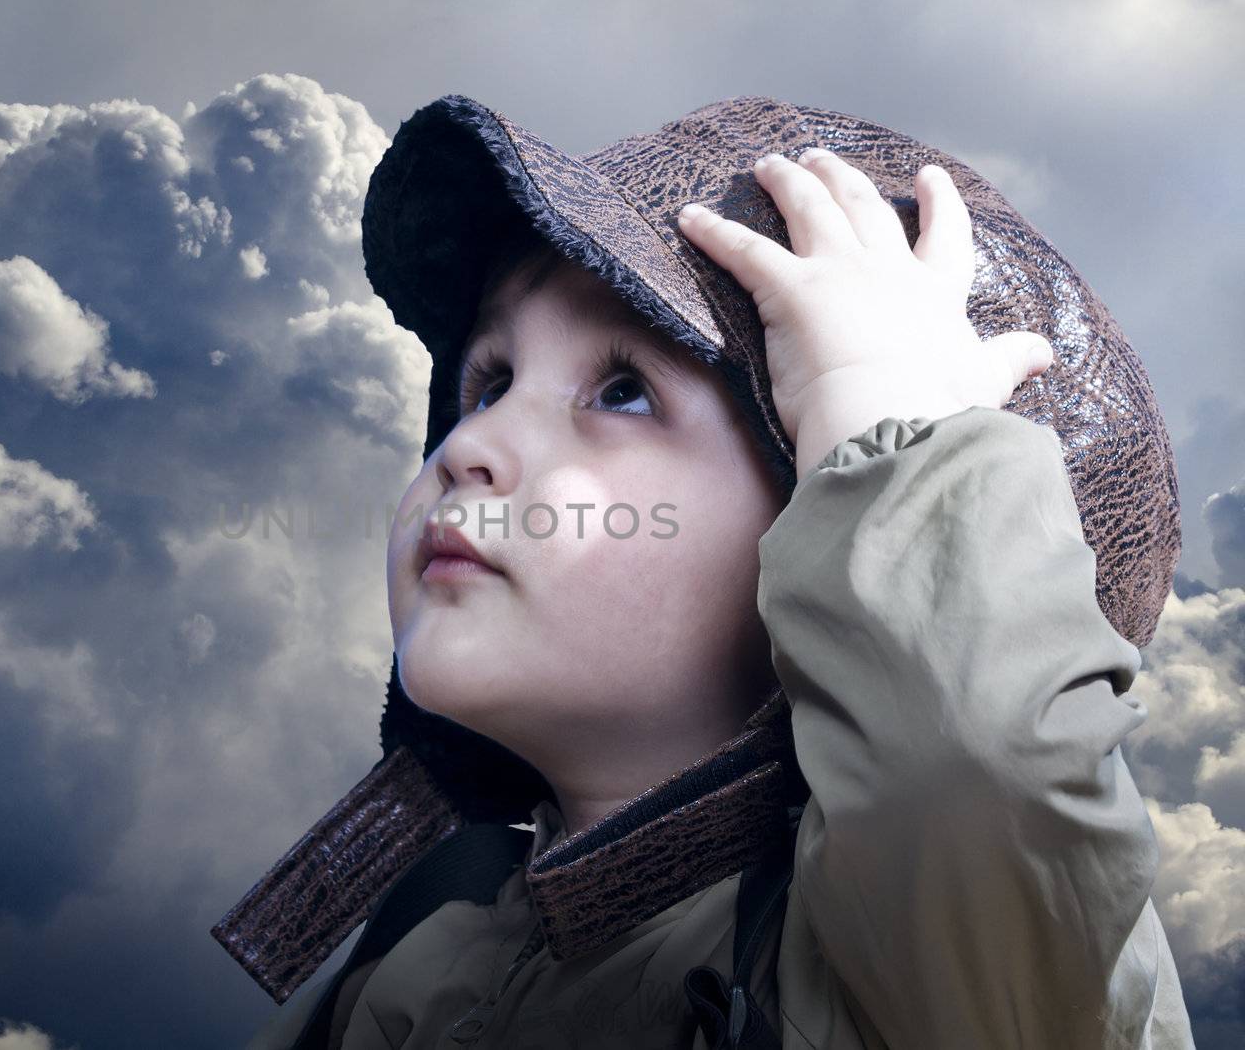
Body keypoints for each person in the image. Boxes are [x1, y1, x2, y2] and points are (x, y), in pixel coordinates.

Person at [213, 94, 1195, 1048]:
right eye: (491, 380)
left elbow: (974, 758)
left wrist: (888, 420)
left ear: (840, 535)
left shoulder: (933, 963)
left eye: (625, 390)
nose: (473, 444)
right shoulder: (411, 959)